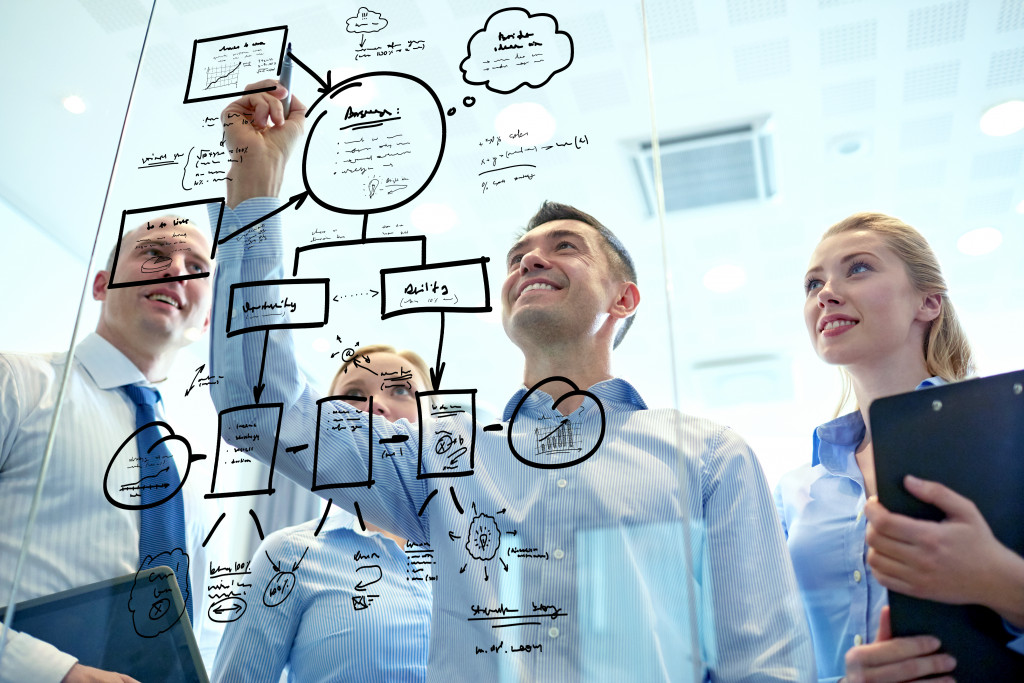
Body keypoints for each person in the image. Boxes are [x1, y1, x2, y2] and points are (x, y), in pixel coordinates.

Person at [208, 79, 814, 681]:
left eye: (566, 247)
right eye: (518, 255)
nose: (529, 259)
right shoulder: (444, 465)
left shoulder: (709, 457)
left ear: (624, 299)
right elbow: (260, 412)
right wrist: (255, 191)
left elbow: (764, 667)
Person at [774, 212, 1024, 682]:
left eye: (859, 267)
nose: (825, 293)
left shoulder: (1010, 438)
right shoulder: (794, 491)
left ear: (928, 302)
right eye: (812, 284)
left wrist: (999, 579)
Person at [0, 216, 213, 683]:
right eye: (155, 254)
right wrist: (56, 674)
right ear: (101, 285)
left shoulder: (186, 472)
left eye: (196, 267)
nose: (176, 269)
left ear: (206, 322)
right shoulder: (15, 385)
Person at [211, 345, 432, 683]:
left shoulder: (480, 561)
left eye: (401, 389)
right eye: (354, 394)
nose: (375, 405)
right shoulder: (287, 555)